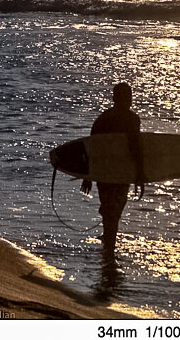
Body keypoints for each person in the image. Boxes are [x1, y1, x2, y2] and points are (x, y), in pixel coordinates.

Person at [80, 83, 143, 258]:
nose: (130, 100)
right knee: (113, 210)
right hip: (119, 173)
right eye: (127, 96)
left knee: (111, 208)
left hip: (106, 173)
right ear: (117, 98)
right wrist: (140, 175)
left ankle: (108, 243)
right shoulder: (131, 119)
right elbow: (135, 149)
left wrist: (88, 176)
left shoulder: (103, 119)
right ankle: (109, 250)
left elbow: (90, 148)